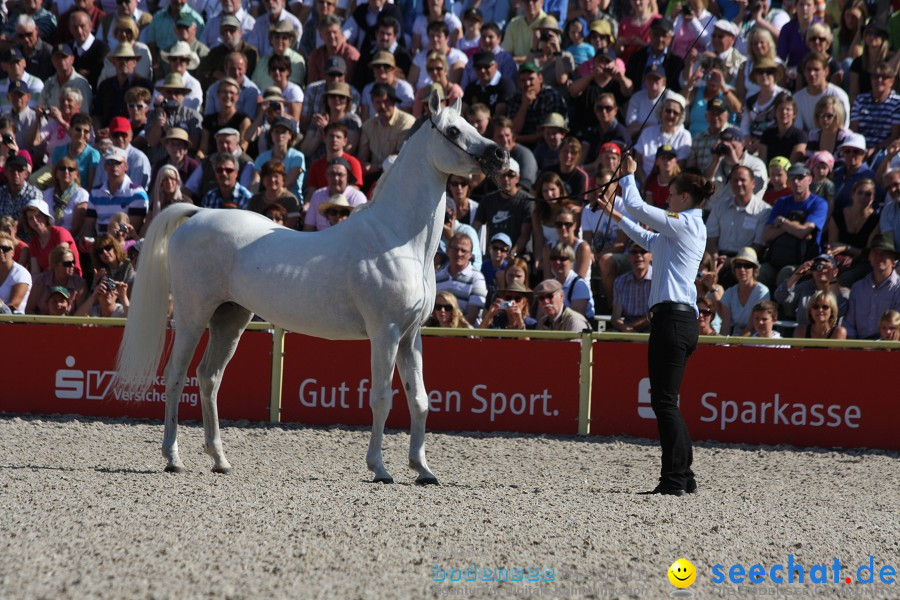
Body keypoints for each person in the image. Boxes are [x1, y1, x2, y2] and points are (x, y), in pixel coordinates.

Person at [595, 155, 711, 495]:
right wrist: (616, 214)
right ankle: (683, 476)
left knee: (663, 402)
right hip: (677, 320)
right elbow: (647, 238)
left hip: (672, 321)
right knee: (667, 402)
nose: (667, 198)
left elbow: (640, 208)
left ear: (685, 198)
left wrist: (629, 176)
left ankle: (674, 479)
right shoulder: (679, 232)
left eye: (671, 194)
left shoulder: (685, 223)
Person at [760, 162, 828, 286]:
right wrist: (791, 226)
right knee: (760, 272)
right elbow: (766, 236)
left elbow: (803, 232)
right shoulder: (782, 202)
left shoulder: (819, 204)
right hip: (777, 258)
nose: (796, 182)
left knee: (786, 274)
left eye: (800, 178)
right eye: (792, 178)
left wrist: (782, 222)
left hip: (804, 261)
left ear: (809, 179)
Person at [472, 158, 533, 258]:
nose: (506, 179)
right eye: (502, 175)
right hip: (493, 257)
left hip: (518, 257)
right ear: (496, 177)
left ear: (518, 178)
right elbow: (474, 228)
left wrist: (512, 254)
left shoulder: (527, 201)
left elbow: (525, 234)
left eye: (510, 175)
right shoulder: (487, 200)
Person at [82, 146, 148, 238]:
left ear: (126, 166)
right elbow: (88, 227)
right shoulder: (95, 193)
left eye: (118, 162)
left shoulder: (137, 193)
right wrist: (87, 241)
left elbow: (132, 229)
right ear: (105, 166)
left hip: (125, 246)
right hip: (100, 245)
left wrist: (113, 231)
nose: (114, 166)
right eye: (110, 162)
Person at [844, 235, 900, 339]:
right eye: (875, 252)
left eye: (884, 253)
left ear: (893, 260)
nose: (879, 256)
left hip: (890, 350)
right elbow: (849, 324)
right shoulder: (857, 288)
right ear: (869, 257)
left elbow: (897, 328)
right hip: (858, 350)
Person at [826, 178, 880, 286]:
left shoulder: (876, 220)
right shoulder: (838, 216)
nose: (863, 197)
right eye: (860, 192)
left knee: (845, 279)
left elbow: (868, 253)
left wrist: (846, 248)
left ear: (872, 198)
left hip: (861, 263)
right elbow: (832, 246)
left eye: (868, 194)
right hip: (837, 261)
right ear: (852, 194)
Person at [773, 253, 848, 325]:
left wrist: (832, 278)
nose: (821, 270)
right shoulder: (805, 287)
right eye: (817, 266)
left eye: (825, 267)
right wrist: (797, 274)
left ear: (835, 271)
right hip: (803, 333)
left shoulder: (843, 292)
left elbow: (841, 310)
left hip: (830, 335)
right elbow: (780, 297)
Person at [435, 232, 487, 325]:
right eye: (455, 249)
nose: (459, 254)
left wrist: (450, 333)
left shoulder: (477, 278)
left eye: (464, 251)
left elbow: (472, 317)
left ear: (470, 255)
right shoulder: (437, 277)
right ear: (447, 250)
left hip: (464, 336)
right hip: (439, 334)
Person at [303, 157, 367, 231]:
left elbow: (361, 230)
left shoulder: (358, 197)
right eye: (332, 174)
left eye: (340, 174)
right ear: (326, 176)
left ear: (348, 176)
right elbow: (308, 228)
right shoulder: (317, 195)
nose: (336, 178)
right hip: (321, 240)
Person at [719, 247, 771, 335]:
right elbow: (725, 326)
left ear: (754, 269)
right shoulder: (729, 293)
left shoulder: (762, 292)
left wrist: (735, 346)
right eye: (738, 266)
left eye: (747, 266)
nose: (742, 269)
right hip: (735, 340)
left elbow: (751, 327)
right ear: (734, 269)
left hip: (755, 340)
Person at [22, 198, 81, 276]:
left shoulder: (60, 233)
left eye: (38, 216)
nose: (35, 220)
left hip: (69, 278)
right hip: (47, 281)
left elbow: (62, 264)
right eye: (30, 218)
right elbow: (35, 272)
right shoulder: (33, 243)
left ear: (46, 217)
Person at [25, 243, 87, 314]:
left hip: (69, 324)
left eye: (73, 262)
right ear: (55, 265)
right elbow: (29, 309)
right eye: (67, 264)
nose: (72, 266)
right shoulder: (41, 281)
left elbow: (82, 314)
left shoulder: (79, 283)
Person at [610, 243, 652, 332]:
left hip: (652, 327)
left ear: (651, 256)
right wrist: (625, 329)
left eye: (643, 251)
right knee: (605, 338)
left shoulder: (659, 280)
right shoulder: (620, 281)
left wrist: (630, 327)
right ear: (628, 257)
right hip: (626, 326)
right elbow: (615, 317)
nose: (638, 255)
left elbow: (656, 315)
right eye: (634, 252)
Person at [248, 160, 301, 230]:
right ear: (262, 179)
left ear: (283, 178)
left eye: (276, 176)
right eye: (268, 176)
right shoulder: (255, 200)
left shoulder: (290, 200)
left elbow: (290, 228)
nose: (272, 179)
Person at [43, 156, 89, 236]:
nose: (66, 172)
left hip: (70, 239)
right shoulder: (47, 193)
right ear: (56, 173)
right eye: (62, 168)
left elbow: (77, 228)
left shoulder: (81, 194)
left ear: (76, 174)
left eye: (71, 169)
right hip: (48, 237)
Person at [549, 241, 594, 318]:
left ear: (572, 261)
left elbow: (575, 318)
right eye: (554, 258)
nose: (557, 262)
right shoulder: (550, 285)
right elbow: (540, 316)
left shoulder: (579, 285)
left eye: (562, 259)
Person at [0, 153, 42, 221]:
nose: (16, 173)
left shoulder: (34, 194)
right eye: (12, 169)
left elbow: (34, 221)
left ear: (26, 174)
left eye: (19, 169)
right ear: (5, 172)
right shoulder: (1, 192)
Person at [0, 230, 31, 314]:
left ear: (13, 252)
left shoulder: (21, 273)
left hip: (14, 322)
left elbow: (13, 305)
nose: (1, 251)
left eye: (5, 248)